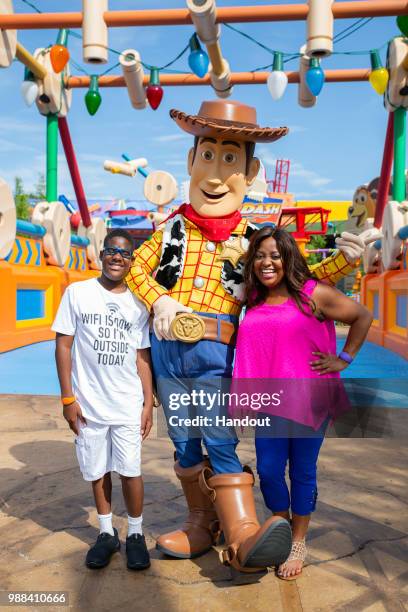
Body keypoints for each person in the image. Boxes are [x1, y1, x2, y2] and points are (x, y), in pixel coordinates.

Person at [126, 99, 377, 572]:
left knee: (220, 439)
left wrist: (345, 260)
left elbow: (296, 278)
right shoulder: (170, 229)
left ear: (251, 170)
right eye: (207, 157)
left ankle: (242, 530)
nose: (216, 175)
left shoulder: (253, 239)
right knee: (182, 440)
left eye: (229, 160)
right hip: (167, 358)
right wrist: (159, 299)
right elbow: (139, 269)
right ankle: (203, 522)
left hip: (218, 355)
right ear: (190, 160)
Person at [232, 226, 373, 579]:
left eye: (275, 255)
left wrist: (344, 358)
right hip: (269, 401)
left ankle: (297, 541)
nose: (267, 262)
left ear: (287, 258)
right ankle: (278, 527)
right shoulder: (252, 299)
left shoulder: (313, 294)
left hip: (311, 397)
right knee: (267, 470)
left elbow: (362, 316)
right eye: (260, 256)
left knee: (302, 471)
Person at [52, 228, 153, 571]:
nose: (116, 258)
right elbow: (63, 346)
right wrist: (68, 398)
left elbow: (142, 357)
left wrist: (147, 403)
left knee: (130, 470)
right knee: (98, 470)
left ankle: (136, 534)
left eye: (124, 254)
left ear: (131, 260)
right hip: (89, 404)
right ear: (101, 253)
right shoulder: (77, 293)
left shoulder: (138, 304)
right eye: (111, 250)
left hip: (126, 402)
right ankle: (107, 532)